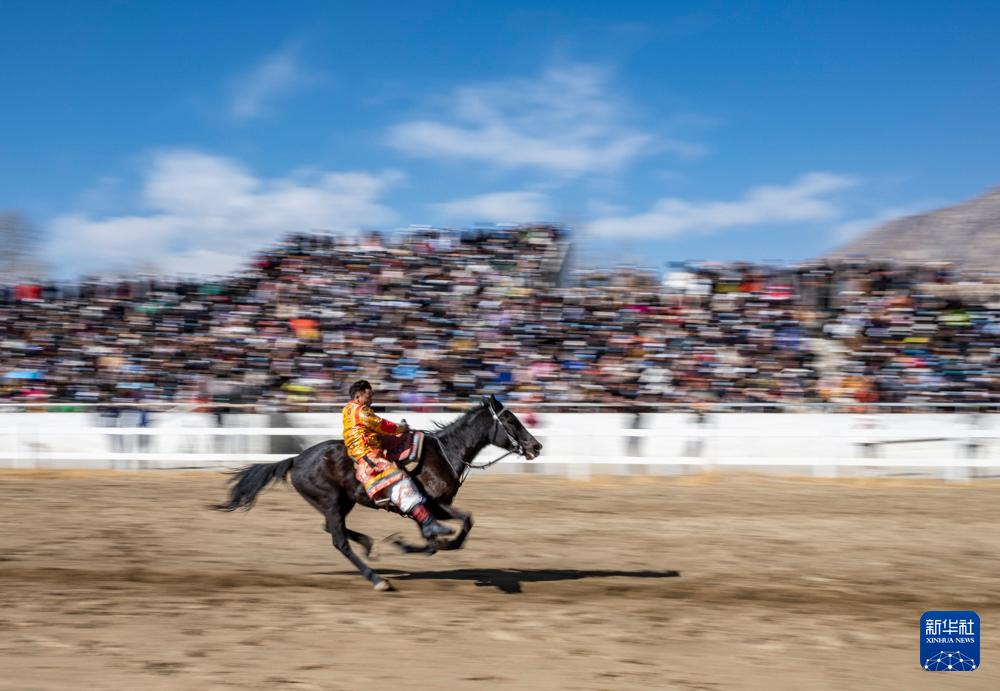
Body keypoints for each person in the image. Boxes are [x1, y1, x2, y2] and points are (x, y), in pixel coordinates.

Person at [342, 379, 453, 539]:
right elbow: (382, 425)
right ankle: (427, 523)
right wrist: (401, 428)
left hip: (364, 453)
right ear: (358, 397)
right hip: (369, 456)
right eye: (369, 396)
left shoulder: (348, 409)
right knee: (399, 480)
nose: (371, 400)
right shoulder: (361, 411)